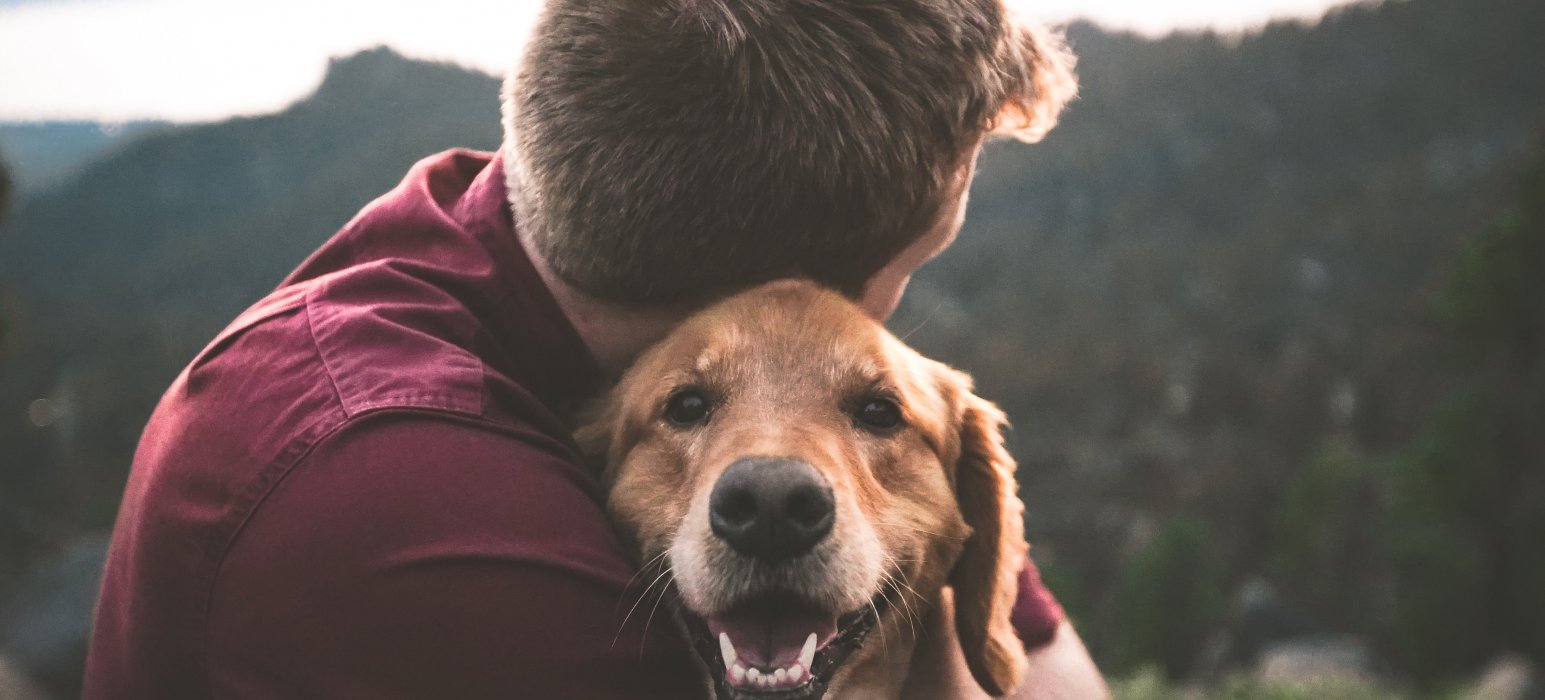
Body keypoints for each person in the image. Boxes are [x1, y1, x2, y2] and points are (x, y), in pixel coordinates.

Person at [84, 0, 1105, 697]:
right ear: (785, 290)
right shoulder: (416, 508)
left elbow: (1042, 664)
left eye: (869, 403)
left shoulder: (506, 229)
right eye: (913, 264)